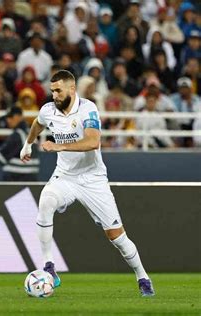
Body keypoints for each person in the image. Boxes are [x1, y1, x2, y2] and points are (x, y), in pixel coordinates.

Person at [20, 70, 155, 297]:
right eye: (52, 90)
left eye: (58, 90)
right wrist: (28, 144)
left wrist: (59, 146)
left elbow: (93, 141)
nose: (54, 95)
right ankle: (49, 267)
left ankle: (143, 277)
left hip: (93, 180)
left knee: (119, 239)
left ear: (72, 89)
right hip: (65, 176)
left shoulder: (88, 109)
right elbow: (37, 123)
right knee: (45, 201)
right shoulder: (48, 110)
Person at [0, 106, 39, 181]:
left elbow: (0, 157)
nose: (8, 120)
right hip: (31, 179)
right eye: (7, 117)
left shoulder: (18, 135)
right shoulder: (31, 133)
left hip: (17, 180)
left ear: (19, 117)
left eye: (11, 117)